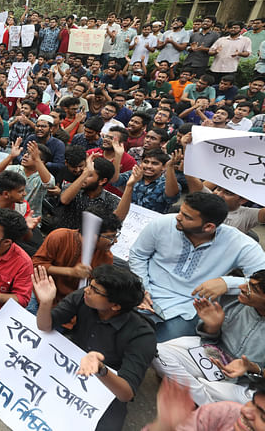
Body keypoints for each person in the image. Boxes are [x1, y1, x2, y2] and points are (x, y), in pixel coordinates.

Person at [33, 264, 156, 431]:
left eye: (95, 290)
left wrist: (101, 369)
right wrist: (46, 302)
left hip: (106, 383)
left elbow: (125, 393)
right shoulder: (83, 297)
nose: (87, 290)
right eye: (90, 284)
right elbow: (45, 326)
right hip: (69, 365)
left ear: (115, 306)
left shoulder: (142, 336)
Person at [129, 192, 265, 342]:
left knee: (160, 348)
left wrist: (227, 283)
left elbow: (262, 279)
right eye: (181, 211)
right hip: (146, 288)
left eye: (187, 217)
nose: (178, 217)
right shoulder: (162, 224)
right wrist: (141, 288)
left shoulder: (240, 244)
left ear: (208, 227)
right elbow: (138, 255)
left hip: (189, 306)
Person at [152, 271, 265, 406]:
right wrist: (212, 326)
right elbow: (210, 339)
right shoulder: (232, 300)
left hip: (247, 382)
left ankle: (189, 388)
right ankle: (205, 400)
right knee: (156, 352)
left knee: (251, 401)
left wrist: (253, 368)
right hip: (213, 355)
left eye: (253, 289)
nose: (242, 288)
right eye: (248, 284)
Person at [31, 205, 121, 309]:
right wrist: (70, 271)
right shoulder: (60, 237)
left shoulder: (106, 257)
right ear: (92, 235)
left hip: (71, 304)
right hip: (41, 292)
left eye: (116, 236)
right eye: (110, 237)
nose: (115, 241)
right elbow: (36, 266)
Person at [143, 378, 265, 431]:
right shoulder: (226, 412)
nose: (245, 411)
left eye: (263, 417)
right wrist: (164, 426)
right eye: (253, 402)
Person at [58, 154, 121, 229]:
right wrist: (86, 173)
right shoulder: (71, 188)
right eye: (84, 172)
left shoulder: (112, 201)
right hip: (64, 237)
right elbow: (64, 200)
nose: (83, 177)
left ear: (102, 181)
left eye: (89, 175)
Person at [111, 149, 181, 213]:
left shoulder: (166, 183)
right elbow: (114, 181)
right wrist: (118, 156)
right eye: (146, 162)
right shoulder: (134, 175)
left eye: (154, 163)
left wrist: (170, 167)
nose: (149, 166)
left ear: (163, 167)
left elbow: (171, 197)